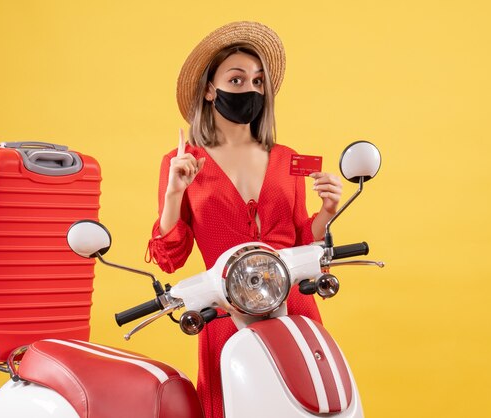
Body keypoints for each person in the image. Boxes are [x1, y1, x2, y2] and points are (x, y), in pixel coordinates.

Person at [146, 21, 343, 418]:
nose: (250, 90)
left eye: (257, 82)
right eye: (236, 80)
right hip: (224, 310)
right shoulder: (183, 163)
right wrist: (174, 194)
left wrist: (325, 214)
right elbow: (170, 258)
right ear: (209, 89)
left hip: (294, 302)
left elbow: (304, 240)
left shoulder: (287, 158)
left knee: (312, 401)